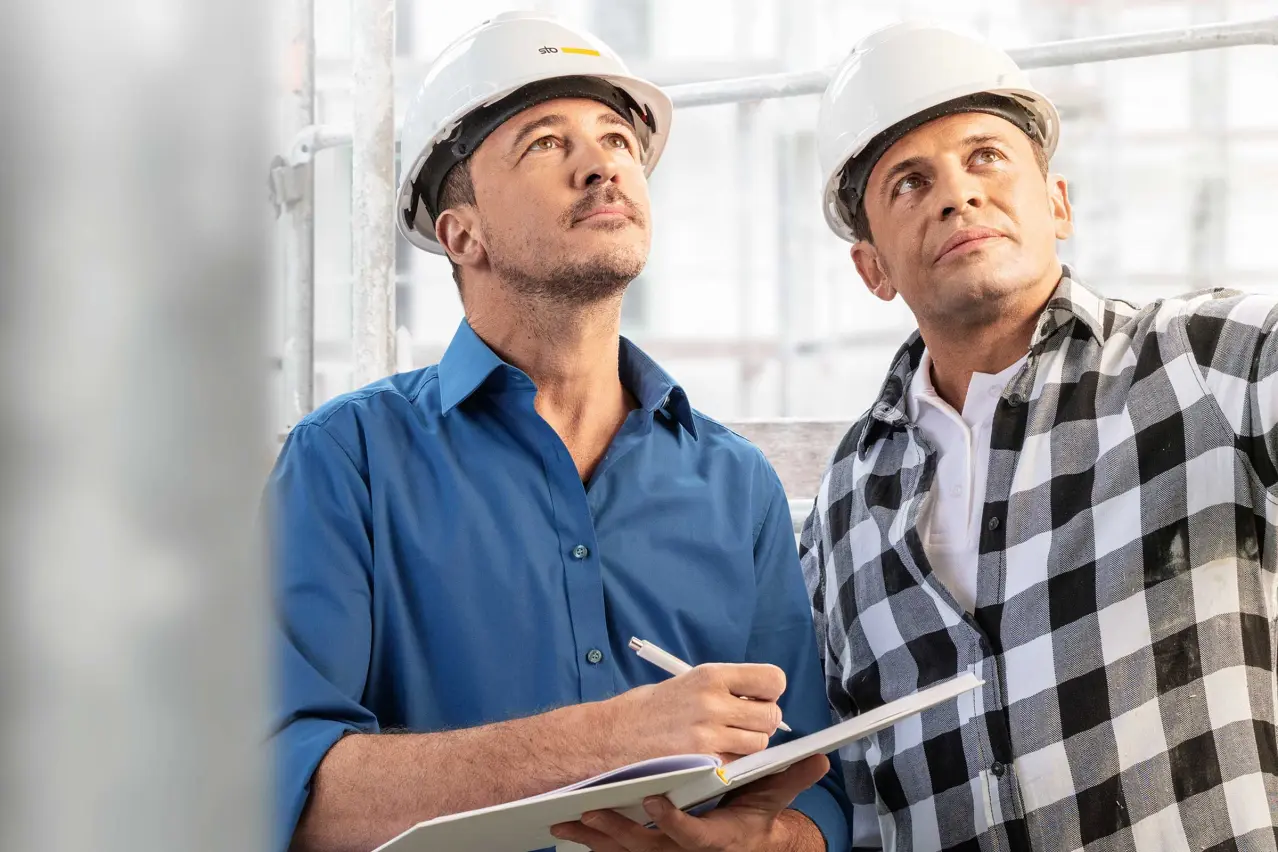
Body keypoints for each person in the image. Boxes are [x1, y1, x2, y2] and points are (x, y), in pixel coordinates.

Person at [268, 12, 852, 852]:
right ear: (459, 232)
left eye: (618, 139)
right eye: (546, 143)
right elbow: (296, 793)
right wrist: (619, 737)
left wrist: (778, 841)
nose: (601, 164)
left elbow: (809, 775)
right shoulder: (345, 464)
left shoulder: (736, 483)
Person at [800, 20, 1278, 852]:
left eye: (985, 156)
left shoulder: (1208, 360)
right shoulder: (846, 500)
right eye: (910, 183)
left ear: (1057, 203)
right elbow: (849, 787)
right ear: (872, 268)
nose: (957, 194)